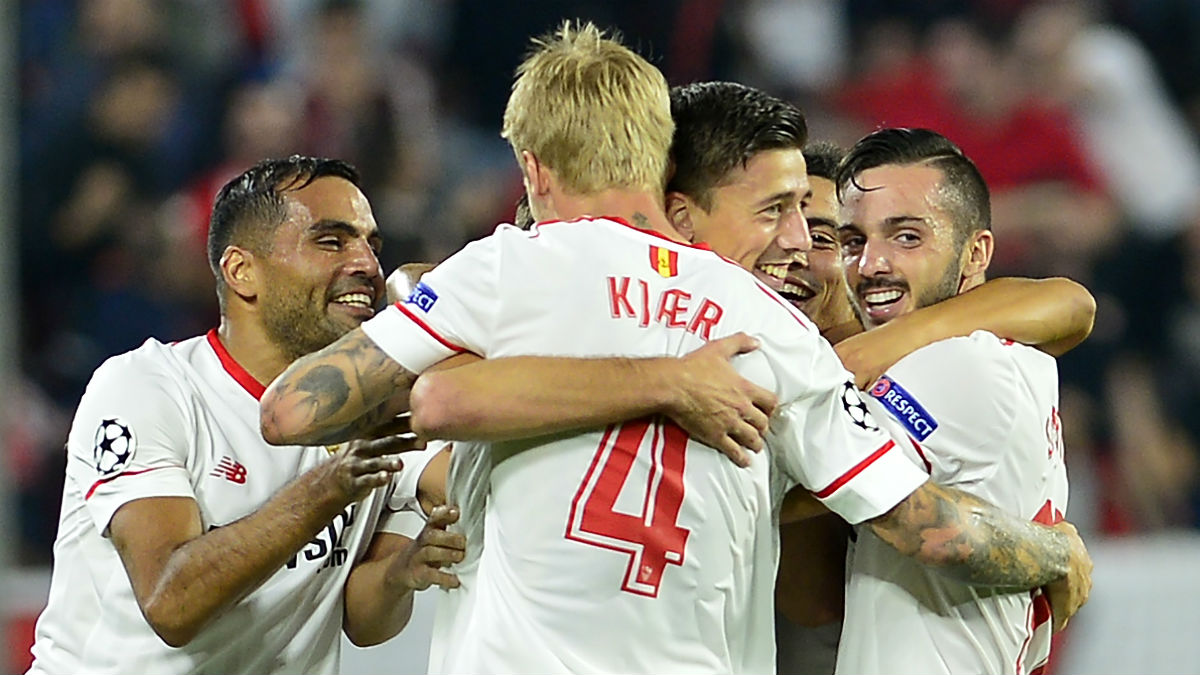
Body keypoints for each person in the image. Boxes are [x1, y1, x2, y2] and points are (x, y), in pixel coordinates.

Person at [262, 26, 1091, 673]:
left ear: (531, 165)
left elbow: (297, 408)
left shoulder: (504, 272)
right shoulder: (768, 327)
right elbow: (929, 527)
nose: (799, 240)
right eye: (775, 209)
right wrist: (1051, 549)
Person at [26, 156, 465, 675]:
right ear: (241, 271)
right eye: (332, 241)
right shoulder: (150, 387)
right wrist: (329, 487)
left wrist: (399, 573)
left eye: (371, 244)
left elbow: (364, 623)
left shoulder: (374, 416)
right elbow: (172, 603)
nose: (368, 265)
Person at [830, 127, 1074, 674]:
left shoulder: (954, 364)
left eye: (907, 237)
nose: (870, 265)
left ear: (977, 252)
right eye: (852, 241)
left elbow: (796, 477)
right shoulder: (1005, 352)